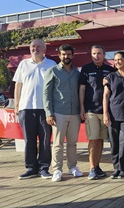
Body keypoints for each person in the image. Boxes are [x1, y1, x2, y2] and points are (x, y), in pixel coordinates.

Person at [13, 39, 56, 179]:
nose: (35, 49)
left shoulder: (51, 64)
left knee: (45, 140)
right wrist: (17, 106)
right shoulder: (23, 64)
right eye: (32, 47)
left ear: (44, 50)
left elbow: (56, 87)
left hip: (45, 109)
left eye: (38, 47)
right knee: (29, 139)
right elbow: (18, 85)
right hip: (26, 108)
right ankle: (31, 168)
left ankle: (44, 168)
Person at [43, 44, 82, 182]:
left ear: (73, 55)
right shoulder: (52, 71)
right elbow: (46, 93)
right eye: (63, 54)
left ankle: (73, 167)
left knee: (72, 143)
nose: (66, 57)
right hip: (58, 112)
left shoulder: (77, 73)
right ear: (59, 56)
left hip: (75, 113)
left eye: (69, 54)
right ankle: (57, 170)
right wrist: (49, 112)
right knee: (58, 143)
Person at [79, 44, 115, 180]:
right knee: (93, 139)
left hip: (105, 111)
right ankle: (92, 168)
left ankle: (97, 166)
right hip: (91, 110)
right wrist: (82, 108)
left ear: (104, 55)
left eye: (99, 53)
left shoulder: (110, 70)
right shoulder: (86, 69)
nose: (96, 56)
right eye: (94, 53)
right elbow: (82, 90)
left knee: (100, 140)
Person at [103, 51, 124, 179]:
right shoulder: (110, 76)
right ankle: (116, 168)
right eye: (115, 60)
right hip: (112, 114)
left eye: (119, 59)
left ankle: (123, 169)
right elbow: (105, 96)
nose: (117, 62)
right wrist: (105, 113)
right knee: (114, 143)